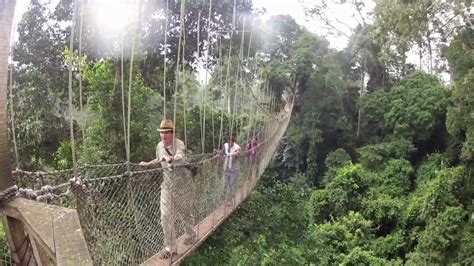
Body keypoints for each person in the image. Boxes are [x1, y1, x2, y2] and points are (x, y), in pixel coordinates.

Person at [139, 119, 196, 260]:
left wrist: (171, 158)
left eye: (166, 133)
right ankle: (171, 247)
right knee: (165, 216)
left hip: (182, 186)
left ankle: (191, 234)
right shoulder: (159, 146)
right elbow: (159, 159)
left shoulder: (179, 144)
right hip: (167, 187)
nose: (163, 136)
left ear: (173, 133)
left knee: (185, 212)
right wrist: (148, 164)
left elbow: (180, 157)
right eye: (162, 133)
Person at [222, 136, 240, 206]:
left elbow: (237, 153)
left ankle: (230, 200)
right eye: (228, 141)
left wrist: (236, 154)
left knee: (231, 185)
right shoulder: (225, 145)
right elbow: (222, 152)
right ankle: (227, 199)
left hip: (234, 170)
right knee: (225, 184)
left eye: (231, 142)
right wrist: (217, 153)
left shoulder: (237, 147)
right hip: (226, 168)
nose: (229, 143)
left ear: (233, 142)